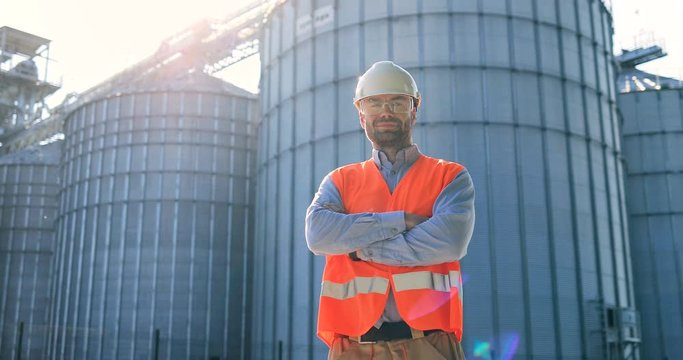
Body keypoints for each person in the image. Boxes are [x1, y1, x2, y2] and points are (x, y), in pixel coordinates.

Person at [305, 61, 475, 359]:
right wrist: (402, 221)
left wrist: (360, 249)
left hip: (430, 346)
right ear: (361, 115)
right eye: (374, 103)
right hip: (353, 348)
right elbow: (318, 235)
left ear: (414, 109)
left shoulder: (449, 176)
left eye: (397, 102)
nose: (386, 111)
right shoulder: (340, 181)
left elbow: (450, 242)